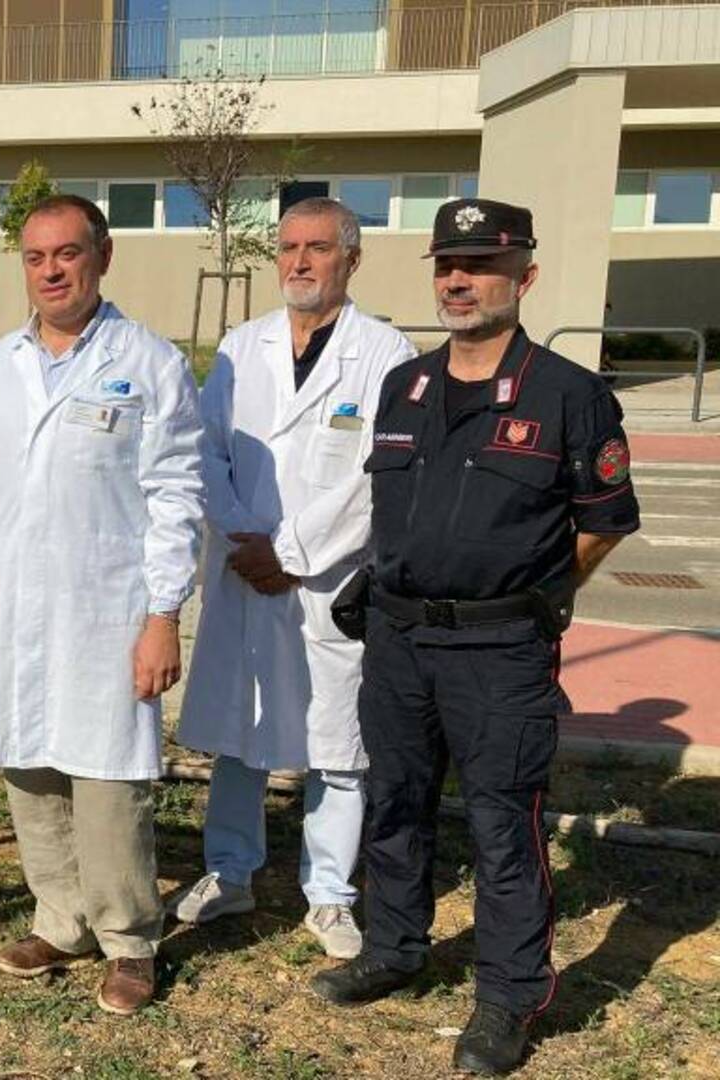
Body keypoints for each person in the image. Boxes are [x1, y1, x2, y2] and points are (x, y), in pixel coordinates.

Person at [308, 198, 640, 1076]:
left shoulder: (571, 395)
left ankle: (509, 995)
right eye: (447, 264)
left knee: (503, 827)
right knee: (395, 803)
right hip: (398, 638)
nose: (459, 280)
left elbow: (604, 520)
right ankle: (394, 947)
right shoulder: (404, 386)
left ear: (523, 277)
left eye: (481, 265)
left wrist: (540, 593)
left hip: (499, 653)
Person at [0, 194, 204, 1015]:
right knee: (28, 764)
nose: (51, 270)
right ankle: (60, 918)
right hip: (20, 599)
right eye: (35, 257)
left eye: (67, 253)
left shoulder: (150, 361)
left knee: (107, 775)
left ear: (102, 257)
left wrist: (163, 613)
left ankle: (130, 937)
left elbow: (175, 493)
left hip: (110, 604)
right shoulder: (3, 361)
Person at [172, 198, 417, 957]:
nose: (299, 263)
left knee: (339, 746)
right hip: (244, 565)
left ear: (352, 259)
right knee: (239, 734)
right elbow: (200, 449)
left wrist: (294, 552)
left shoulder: (386, 352)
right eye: (287, 248)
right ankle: (230, 871)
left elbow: (385, 474)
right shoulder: (242, 345)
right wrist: (246, 533)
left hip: (327, 578)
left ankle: (331, 893)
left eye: (317, 248)